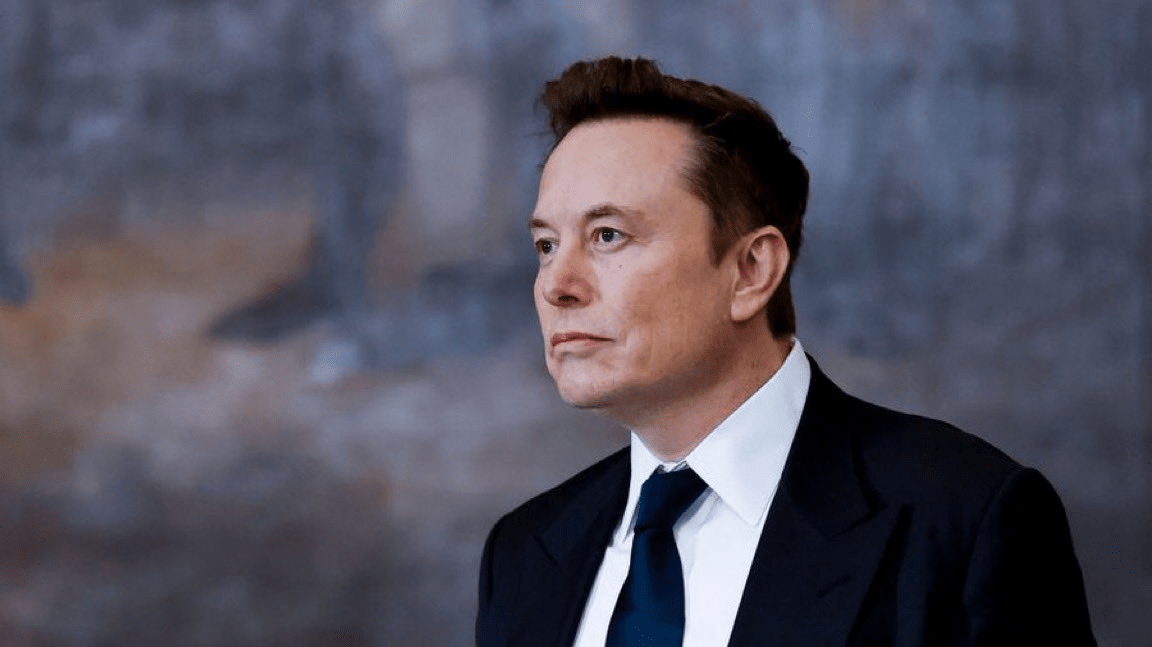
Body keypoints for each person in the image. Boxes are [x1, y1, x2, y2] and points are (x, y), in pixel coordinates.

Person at [476, 57, 1095, 646]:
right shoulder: (524, 554)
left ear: (750, 270)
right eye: (546, 245)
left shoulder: (965, 518)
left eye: (608, 235)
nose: (556, 285)